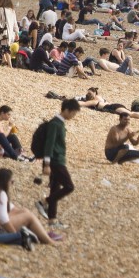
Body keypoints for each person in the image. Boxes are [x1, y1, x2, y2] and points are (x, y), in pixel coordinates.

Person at [0, 168, 59, 246]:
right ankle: (49, 241)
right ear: (5, 181)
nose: (12, 184)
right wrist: (15, 235)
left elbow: (11, 209)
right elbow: (3, 218)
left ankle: (41, 233)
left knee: (24, 211)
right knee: (28, 217)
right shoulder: (0, 193)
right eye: (11, 181)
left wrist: (22, 212)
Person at [36, 99, 81, 230]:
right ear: (67, 110)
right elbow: (49, 144)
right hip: (55, 161)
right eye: (73, 113)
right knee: (69, 186)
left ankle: (52, 219)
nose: (73, 116)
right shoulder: (55, 124)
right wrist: (46, 164)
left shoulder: (59, 123)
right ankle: (43, 202)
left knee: (55, 188)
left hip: (58, 160)